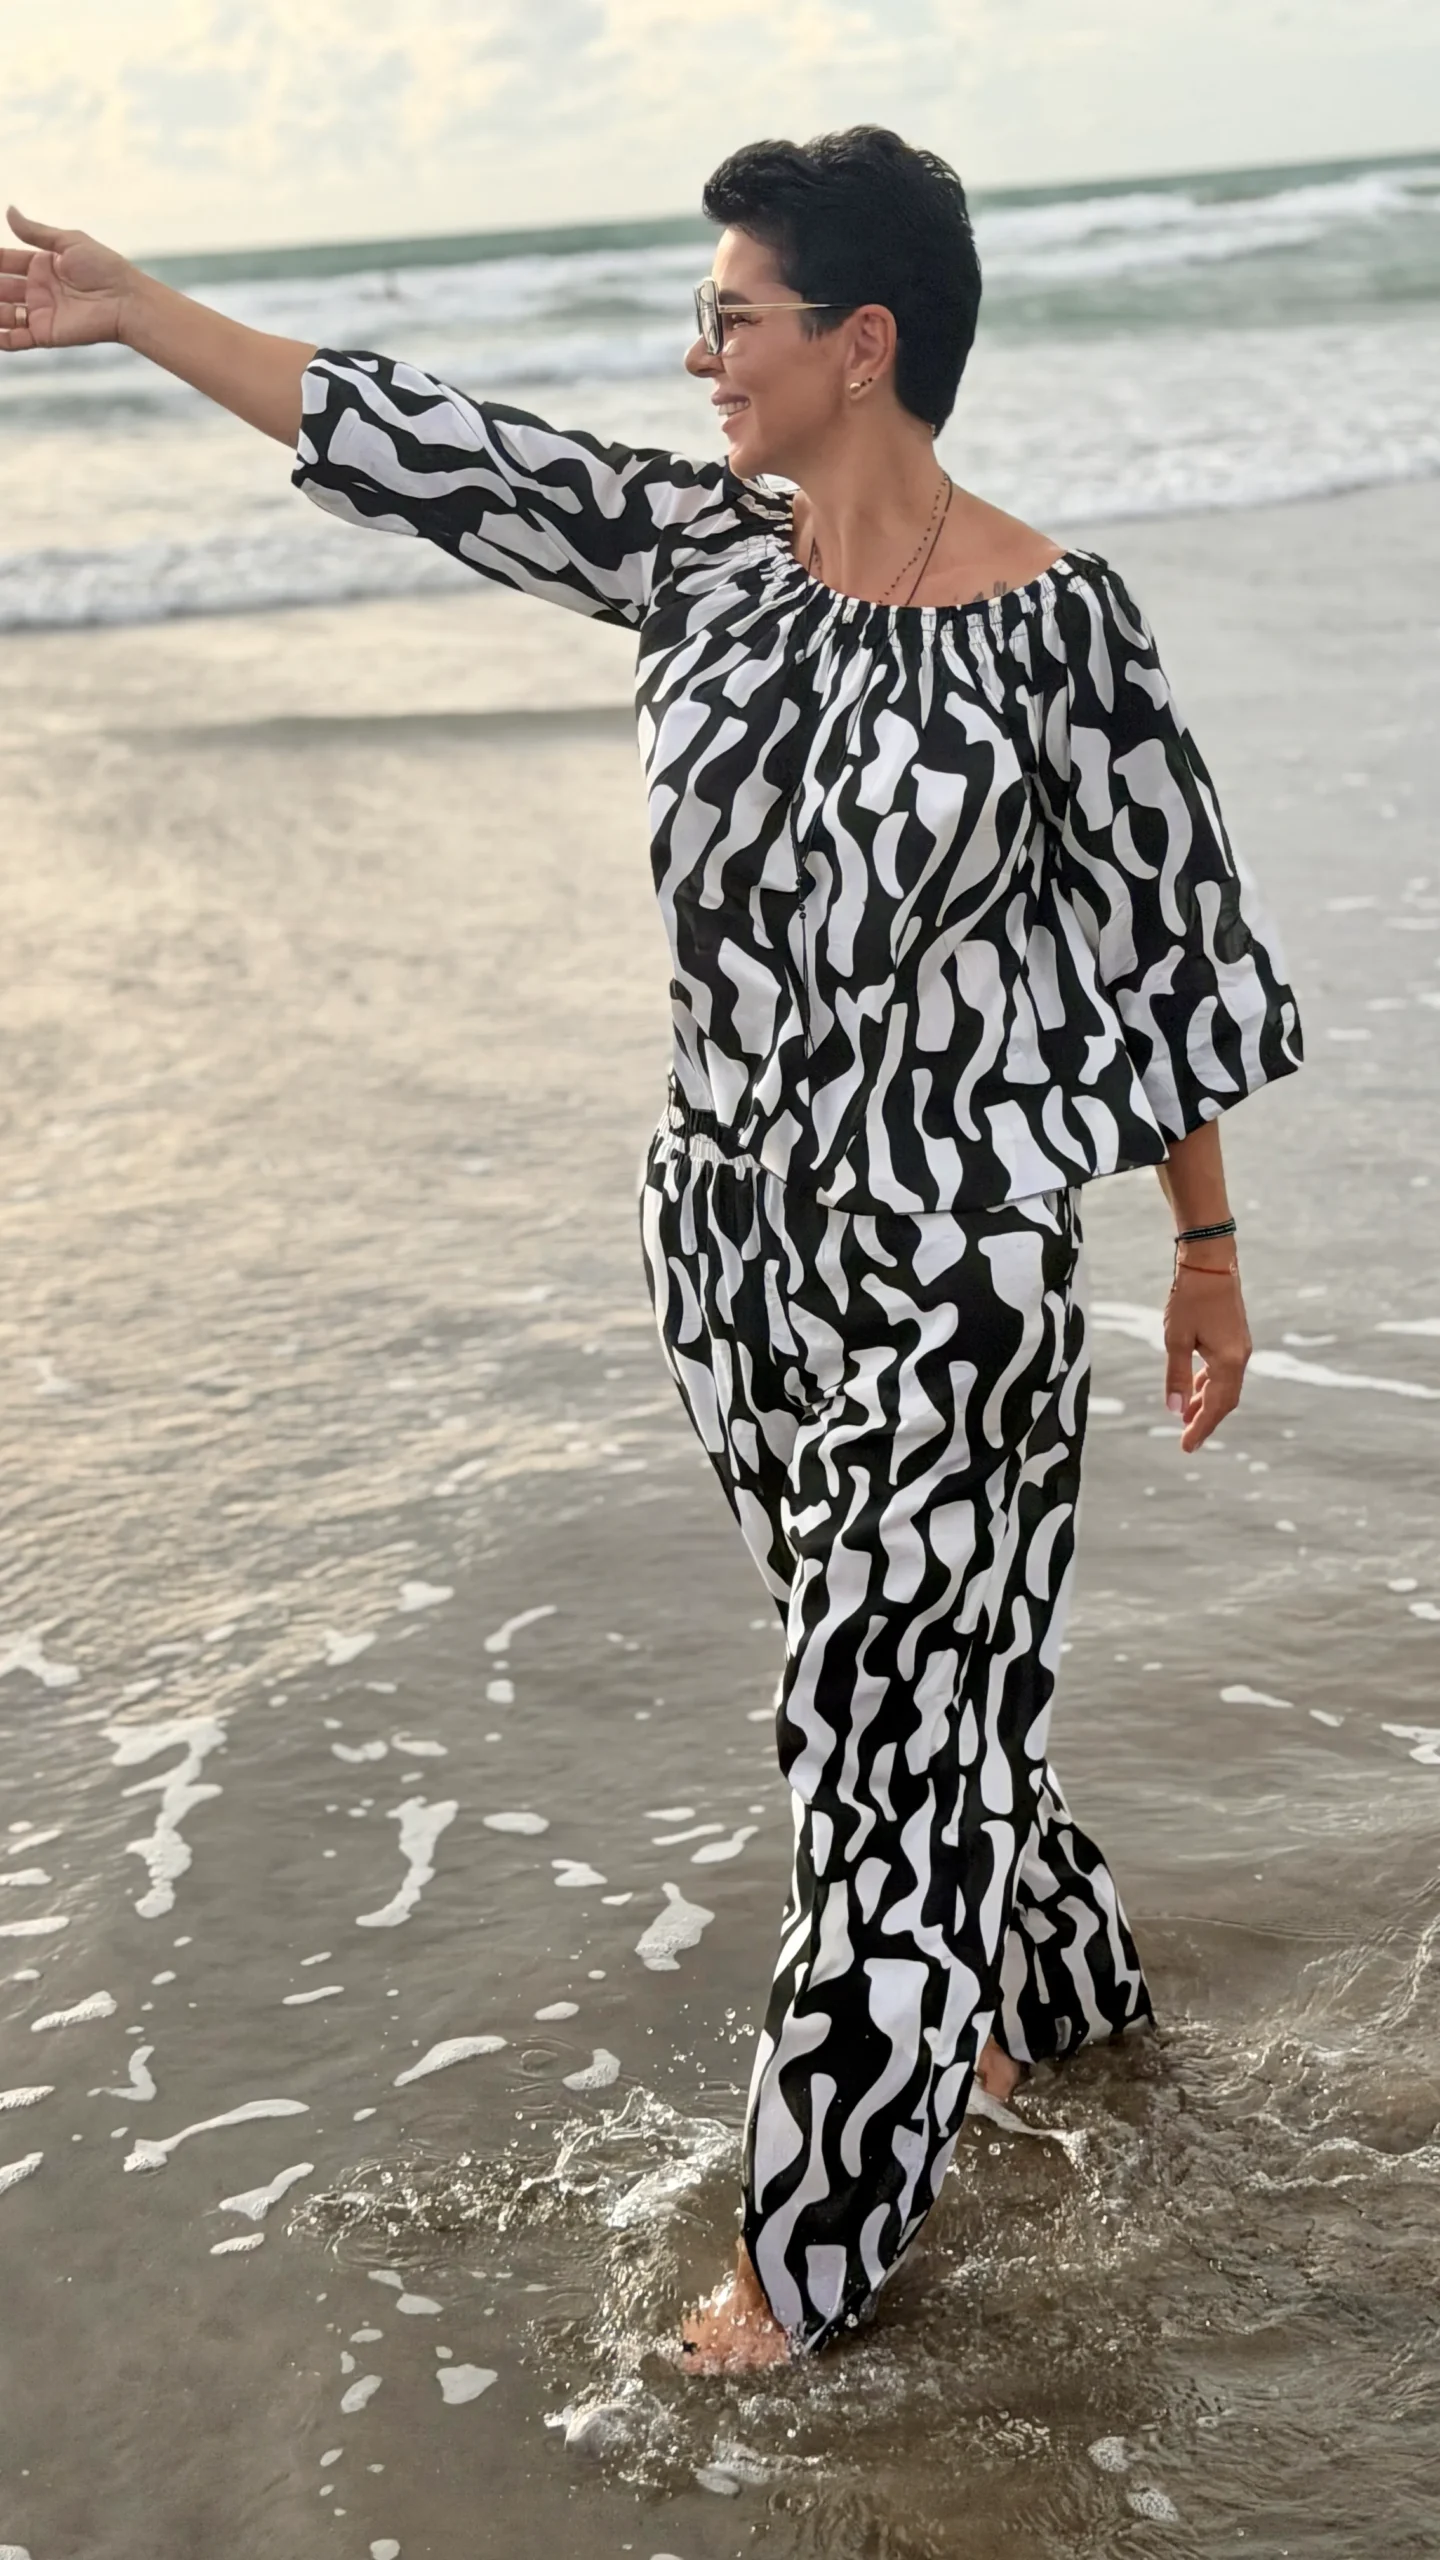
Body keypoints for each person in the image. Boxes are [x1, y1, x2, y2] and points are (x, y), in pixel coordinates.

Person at [1, 126, 1301, 2375]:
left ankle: (809, 2260)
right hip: (725, 1250)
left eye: (731, 317)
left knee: (869, 1733)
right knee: (909, 1689)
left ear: (860, 344)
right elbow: (426, 444)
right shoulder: (696, 549)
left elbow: (1164, 957)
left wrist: (1205, 1244)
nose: (698, 354)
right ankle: (1066, 2022)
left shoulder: (1060, 628)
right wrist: (135, 311)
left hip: (953, 1269)